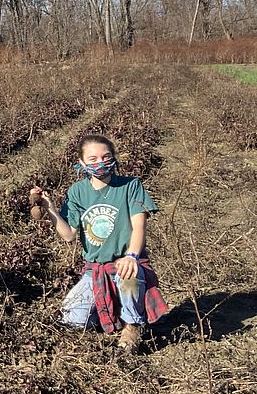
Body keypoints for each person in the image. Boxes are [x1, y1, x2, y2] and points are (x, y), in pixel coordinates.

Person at [32, 134, 169, 354]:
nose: (100, 163)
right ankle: (112, 312)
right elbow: (68, 235)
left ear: (114, 158)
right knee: (70, 317)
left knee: (128, 278)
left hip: (126, 262)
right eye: (93, 159)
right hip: (95, 268)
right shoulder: (77, 191)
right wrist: (49, 208)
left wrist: (132, 255)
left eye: (106, 157)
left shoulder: (130, 186)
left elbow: (139, 226)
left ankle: (132, 325)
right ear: (82, 163)